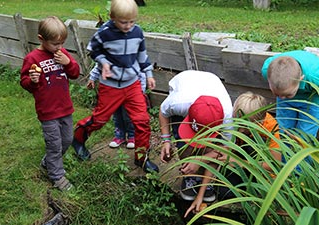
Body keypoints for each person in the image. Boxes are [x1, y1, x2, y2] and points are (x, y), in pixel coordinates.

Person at [72, 0, 158, 173]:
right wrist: (103, 63)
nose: (128, 26)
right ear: (112, 18)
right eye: (123, 22)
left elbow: (142, 55)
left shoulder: (137, 32)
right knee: (100, 120)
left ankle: (142, 158)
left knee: (142, 121)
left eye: (132, 21)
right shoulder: (104, 33)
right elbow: (93, 50)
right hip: (110, 86)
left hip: (132, 84)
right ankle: (78, 139)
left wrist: (148, 74)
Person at [184, 92, 282, 217]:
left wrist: (239, 163)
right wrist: (200, 196)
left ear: (258, 122)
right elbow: (220, 153)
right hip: (243, 162)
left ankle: (253, 190)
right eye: (238, 124)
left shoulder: (270, 128)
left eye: (244, 127)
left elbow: (274, 164)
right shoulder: (234, 122)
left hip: (261, 172)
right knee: (223, 192)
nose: (239, 130)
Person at [20, 16, 80, 191]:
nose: (59, 47)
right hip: (47, 111)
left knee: (67, 140)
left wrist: (68, 63)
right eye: (55, 44)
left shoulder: (62, 54)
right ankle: (57, 176)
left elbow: (75, 73)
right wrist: (32, 80)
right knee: (54, 144)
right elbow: (25, 83)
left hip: (65, 108)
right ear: (41, 39)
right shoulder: (32, 59)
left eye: (62, 43)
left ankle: (49, 162)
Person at [159, 70, 233, 202]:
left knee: (213, 147)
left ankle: (206, 180)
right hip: (184, 82)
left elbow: (224, 150)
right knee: (183, 141)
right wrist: (166, 141)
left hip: (210, 83)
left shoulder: (227, 116)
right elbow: (163, 112)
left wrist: (200, 159)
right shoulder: (179, 103)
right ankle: (190, 177)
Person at [261, 50, 319, 142]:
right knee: (284, 132)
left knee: (305, 137)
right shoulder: (267, 70)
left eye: (288, 94)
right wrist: (285, 95)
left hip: (312, 102)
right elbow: (283, 95)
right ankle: (286, 155)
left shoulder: (317, 78)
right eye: (276, 94)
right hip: (288, 103)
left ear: (301, 79)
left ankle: (305, 156)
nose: (281, 97)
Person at [87, 64, 148, 149]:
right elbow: (99, 66)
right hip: (113, 91)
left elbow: (141, 74)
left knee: (128, 115)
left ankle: (132, 136)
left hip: (130, 92)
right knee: (117, 114)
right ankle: (119, 136)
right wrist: (92, 78)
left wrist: (141, 91)